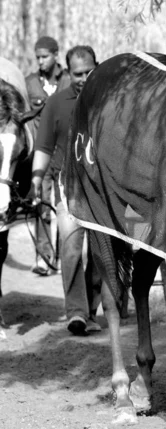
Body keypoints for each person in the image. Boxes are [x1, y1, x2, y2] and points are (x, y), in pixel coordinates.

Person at [30, 45, 102, 336]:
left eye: (89, 71)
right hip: (67, 188)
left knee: (100, 253)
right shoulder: (57, 103)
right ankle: (76, 313)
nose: (84, 78)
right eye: (77, 74)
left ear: (97, 66)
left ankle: (92, 309)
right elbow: (44, 146)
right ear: (68, 73)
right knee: (71, 248)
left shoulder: (110, 99)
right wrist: (36, 180)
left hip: (102, 190)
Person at [25, 36, 70, 276]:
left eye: (45, 56)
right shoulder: (30, 83)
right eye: (38, 57)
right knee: (40, 204)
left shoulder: (70, 79)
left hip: (64, 154)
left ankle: (64, 257)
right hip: (41, 154)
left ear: (55, 54)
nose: (41, 61)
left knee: (64, 206)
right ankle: (43, 257)